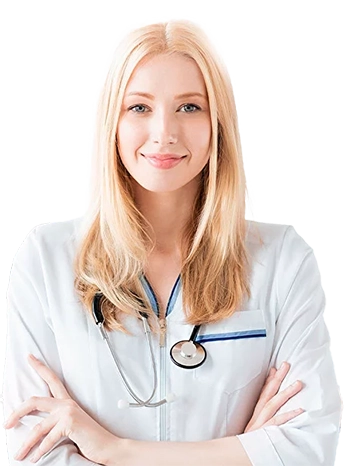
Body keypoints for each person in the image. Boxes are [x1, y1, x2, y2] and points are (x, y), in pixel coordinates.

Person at [2, 17, 342, 465]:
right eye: (139, 107)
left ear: (217, 121)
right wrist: (246, 452)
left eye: (189, 107)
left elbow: (313, 447)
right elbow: (34, 452)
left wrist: (114, 450)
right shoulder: (45, 260)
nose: (164, 132)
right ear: (113, 123)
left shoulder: (281, 260)